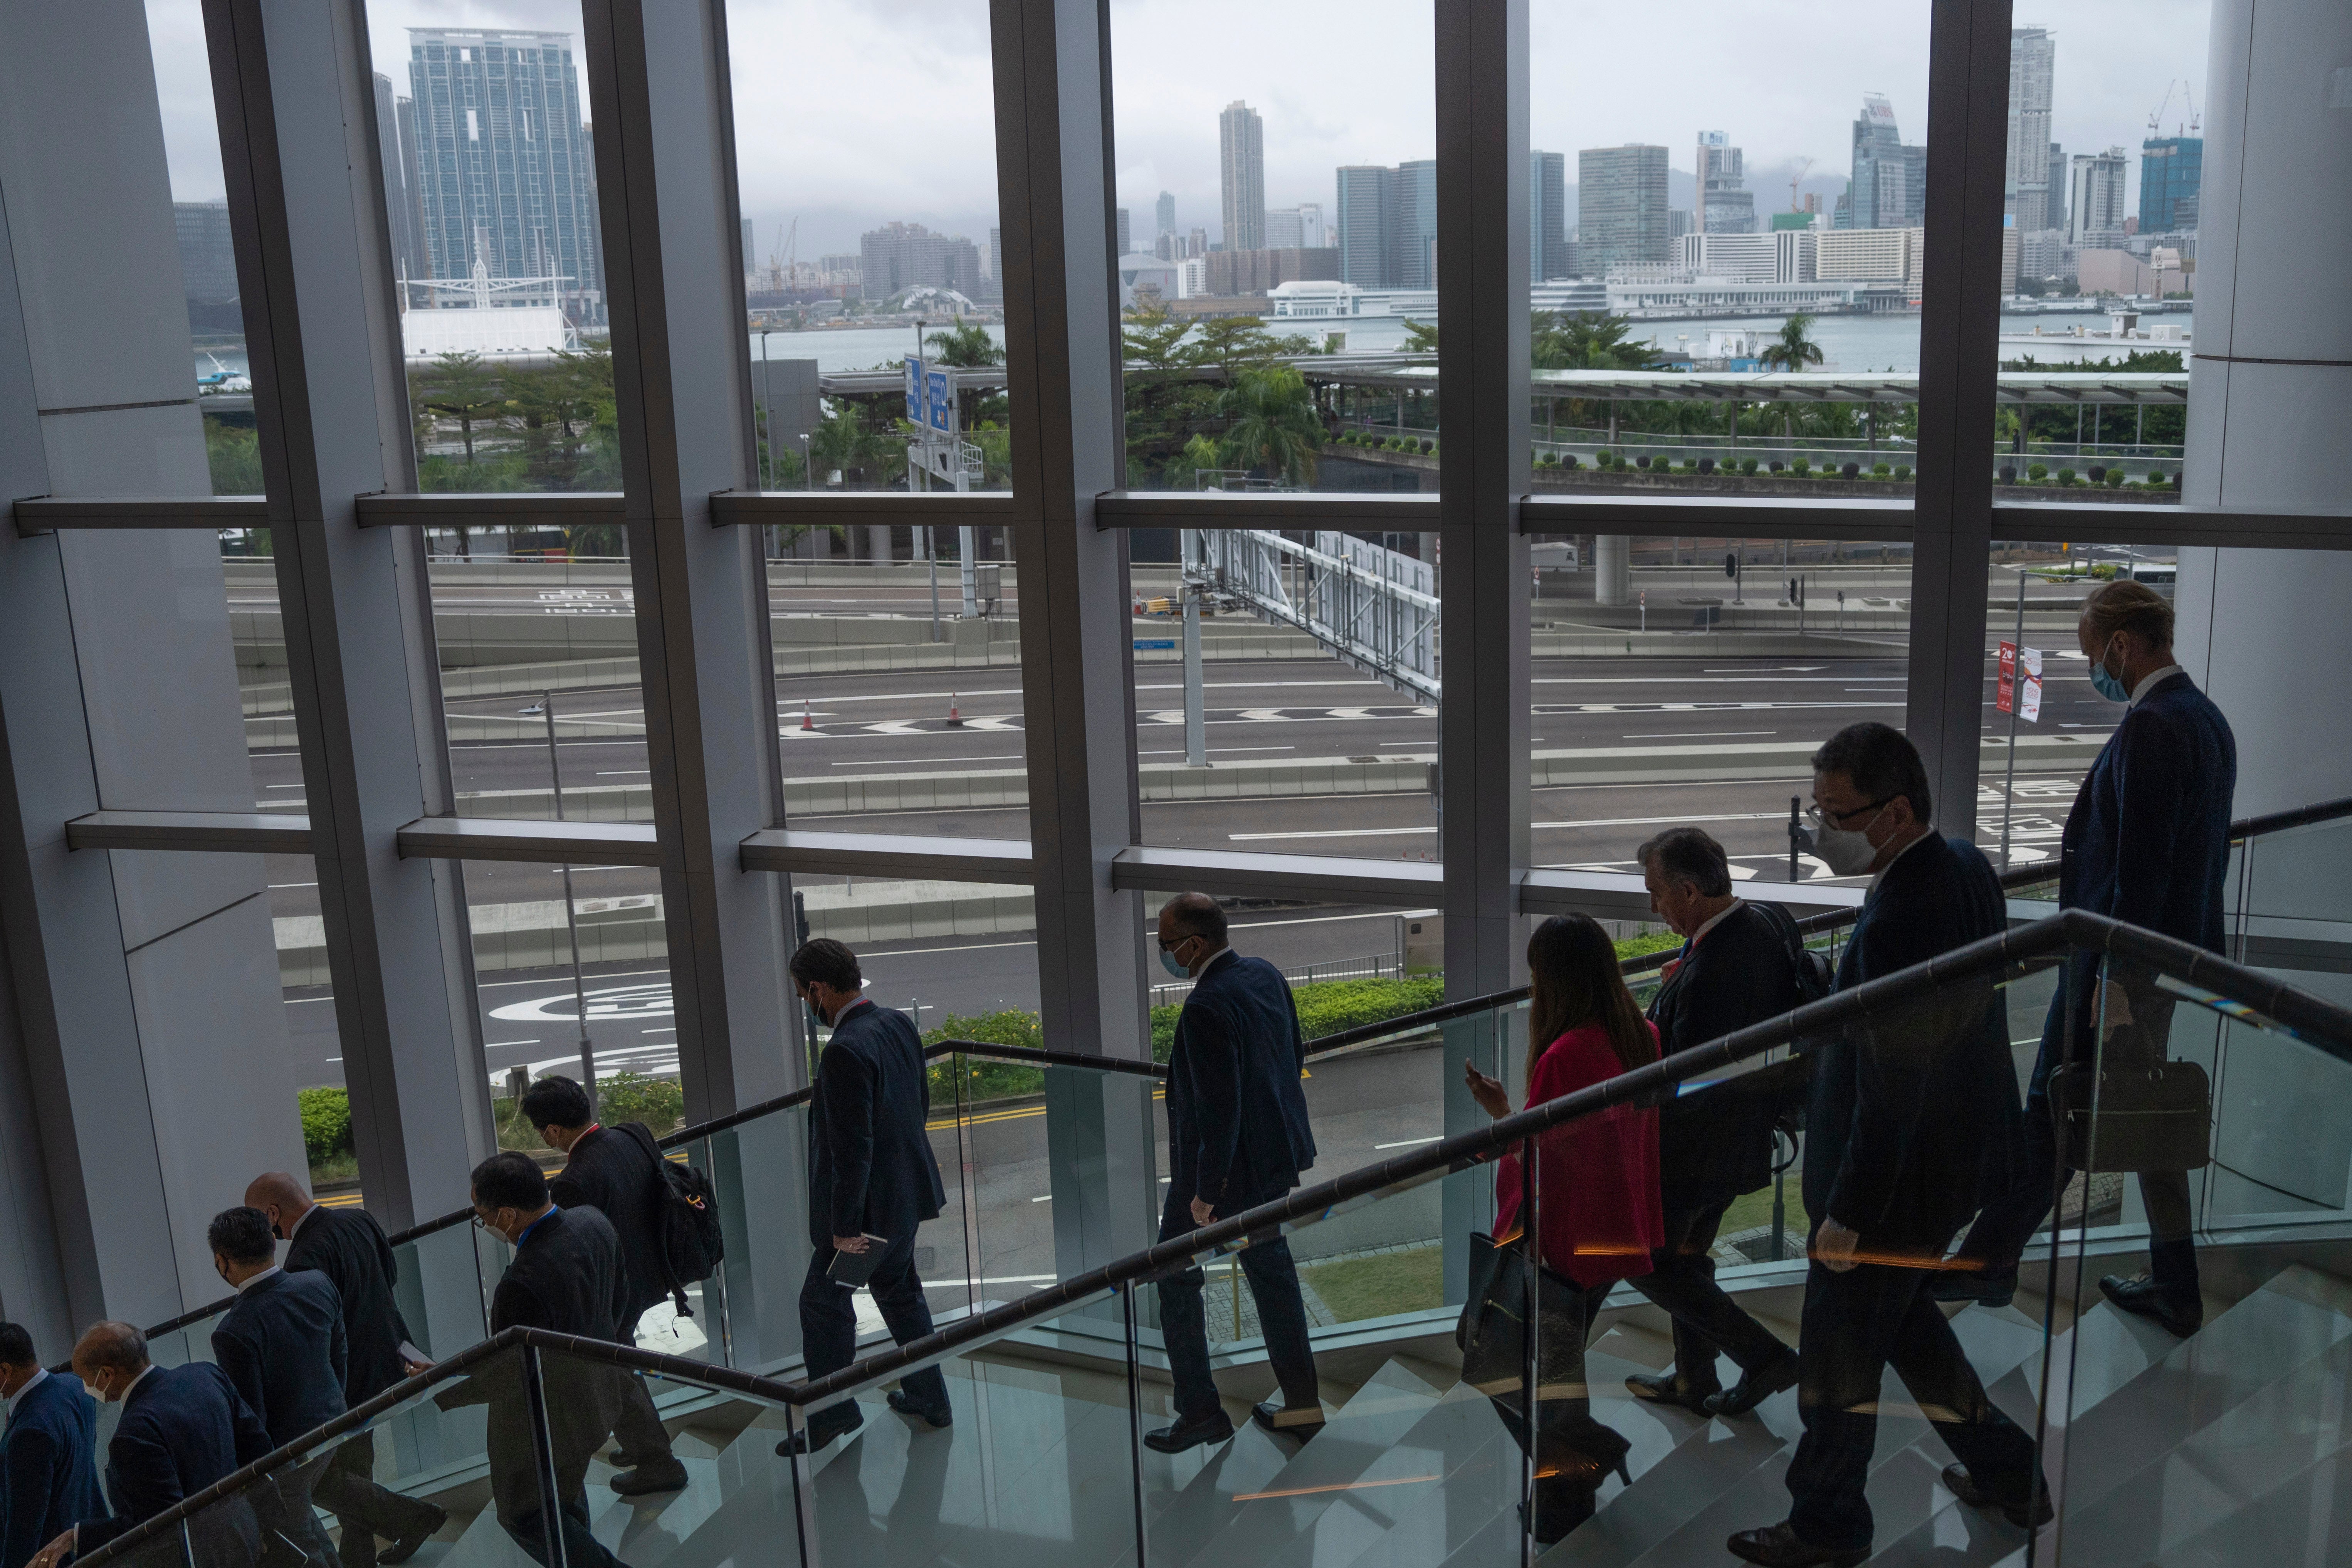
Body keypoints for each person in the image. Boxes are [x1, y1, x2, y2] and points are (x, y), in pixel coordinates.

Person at [1728, 723, 2045, 1568]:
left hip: (1893, 1184)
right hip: (1947, 1167)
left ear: (1895, 811)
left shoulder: (1906, 909)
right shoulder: (1964, 866)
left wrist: (1850, 1213)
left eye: (1836, 813)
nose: (1820, 829)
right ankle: (2012, 1474)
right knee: (1907, 1331)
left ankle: (1827, 1527)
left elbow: (1895, 1080)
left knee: (1835, 1364)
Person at [1944, 580, 2236, 1337]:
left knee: (2055, 1113)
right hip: (2164, 965)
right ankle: (2171, 1281)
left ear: (2119, 644)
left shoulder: (2153, 728)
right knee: (2134, 1117)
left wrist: (2113, 981)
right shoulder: (2208, 720)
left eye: (2088, 653)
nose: (2092, 670)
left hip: (2121, 968)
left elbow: (2140, 868)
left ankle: (1983, 1265)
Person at [1462, 913, 1664, 1544]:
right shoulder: (1643, 1033)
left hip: (1554, 1242)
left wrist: (1498, 1121)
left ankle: (1566, 1492)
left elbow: (1540, 1157)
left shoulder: (1562, 1052)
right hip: (1610, 1233)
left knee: (1514, 1370)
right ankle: (1571, 1476)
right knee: (1555, 1371)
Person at [1622, 828, 1804, 1418]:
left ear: (1691, 890)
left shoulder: (1710, 974)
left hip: (1694, 1152)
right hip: (1745, 1139)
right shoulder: (1769, 923)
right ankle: (1693, 1377)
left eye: (1657, 894)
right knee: (1689, 1257)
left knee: (1645, 1259)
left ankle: (1764, 1356)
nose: (1654, 907)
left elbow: (1690, 1081)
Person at [1143, 893, 1323, 1455]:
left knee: (1172, 1274)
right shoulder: (1265, 974)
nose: (1164, 953)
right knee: (1274, 1279)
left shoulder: (1205, 1008)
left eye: (1166, 944)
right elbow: (1292, 1055)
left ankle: (1200, 1412)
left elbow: (1217, 1112)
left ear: (1195, 945)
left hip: (1223, 1180)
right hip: (1272, 1164)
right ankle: (1302, 1403)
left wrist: (1205, 1197)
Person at [781, 938, 953, 1457]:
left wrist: (845, 1229)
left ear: (818, 989)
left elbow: (851, 1151)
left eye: (801, 996)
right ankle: (931, 1398)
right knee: (900, 1293)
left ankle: (834, 1412)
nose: (805, 1007)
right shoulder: (897, 1022)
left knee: (823, 1304)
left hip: (868, 1221)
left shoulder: (844, 1051)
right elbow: (917, 1103)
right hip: (906, 1197)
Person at [430, 1153, 628, 1568]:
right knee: (565, 1494)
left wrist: (440, 1381)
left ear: (506, 1215)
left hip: (547, 1419)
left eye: (482, 1216)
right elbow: (619, 1302)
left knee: (526, 1513)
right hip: (599, 1396)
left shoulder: (521, 1282)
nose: (483, 1224)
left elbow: (508, 1372)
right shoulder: (593, 1222)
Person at [246, 1175, 447, 1566]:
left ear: (273, 1213)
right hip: (392, 1358)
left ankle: (413, 1518)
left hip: (346, 1382)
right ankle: (362, 1554)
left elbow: (314, 1337)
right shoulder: (360, 1219)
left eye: (260, 1219)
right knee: (351, 1468)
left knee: (323, 1478)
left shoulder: (304, 1257)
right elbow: (389, 1276)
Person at [520, 1076, 690, 1494]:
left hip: (617, 1289)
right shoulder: (632, 1134)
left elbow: (577, 1248)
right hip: (655, 1268)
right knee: (623, 1360)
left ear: (553, 1131)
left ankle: (657, 1460)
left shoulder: (575, 1180)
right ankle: (643, 1442)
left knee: (613, 1372)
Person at [29, 1322, 274, 1568]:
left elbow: (157, 1525)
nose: (85, 1387)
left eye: (84, 1378)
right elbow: (259, 1448)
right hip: (246, 1531)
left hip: (199, 1557)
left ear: (106, 1375)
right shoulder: (207, 1375)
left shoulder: (133, 1434)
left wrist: (76, 1537)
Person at [207, 1205, 348, 1566]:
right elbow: (339, 1355)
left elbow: (251, 1416)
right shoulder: (316, 1282)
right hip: (332, 1424)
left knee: (299, 1539)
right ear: (272, 1239)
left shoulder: (233, 1331)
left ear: (223, 1262)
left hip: (286, 1452)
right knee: (304, 1521)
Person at [0, 1324, 104, 1568]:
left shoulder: (29, 1432)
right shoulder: (76, 1386)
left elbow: (24, 1527)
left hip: (51, 1558)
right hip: (86, 1541)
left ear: (4, 1370)